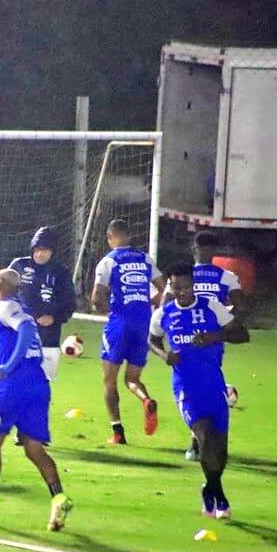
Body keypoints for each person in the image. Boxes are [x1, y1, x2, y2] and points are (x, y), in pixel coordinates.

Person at [0, 269, 72, 531]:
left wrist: (7, 367)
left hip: (13, 386)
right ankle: (59, 496)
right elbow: (27, 344)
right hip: (37, 383)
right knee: (34, 448)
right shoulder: (21, 306)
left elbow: (25, 330)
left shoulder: (3, 306)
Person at [149, 263, 249, 520]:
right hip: (186, 389)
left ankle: (209, 487)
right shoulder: (164, 314)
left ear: (194, 285)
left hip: (215, 387)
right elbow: (152, 339)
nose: (180, 292)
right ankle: (220, 498)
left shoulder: (211, 307)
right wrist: (164, 355)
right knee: (204, 440)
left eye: (185, 287)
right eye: (175, 287)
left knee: (221, 452)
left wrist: (214, 337)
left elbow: (243, 334)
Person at [162, 230, 247, 461]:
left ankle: (198, 442)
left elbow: (164, 305)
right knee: (202, 383)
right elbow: (242, 307)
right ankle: (200, 441)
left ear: (194, 250)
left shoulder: (184, 276)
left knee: (194, 386)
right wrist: (222, 320)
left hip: (191, 339)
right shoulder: (224, 276)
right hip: (211, 339)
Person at [91, 219, 166, 445]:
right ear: (129, 236)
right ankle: (146, 401)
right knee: (132, 379)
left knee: (109, 380)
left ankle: (118, 432)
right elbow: (165, 289)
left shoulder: (108, 262)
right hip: (143, 324)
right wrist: (148, 302)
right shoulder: (145, 258)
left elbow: (96, 299)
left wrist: (109, 310)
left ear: (110, 236)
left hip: (119, 325)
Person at [0, 226, 75, 382]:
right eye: (37, 249)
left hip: (48, 338)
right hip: (17, 335)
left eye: (45, 250)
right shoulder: (19, 265)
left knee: (42, 382)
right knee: (15, 378)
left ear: (52, 251)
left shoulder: (61, 272)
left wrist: (55, 318)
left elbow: (70, 302)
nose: (39, 254)